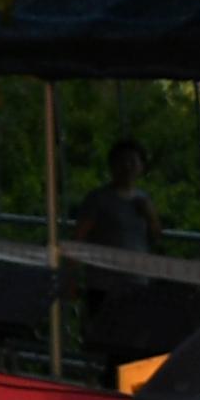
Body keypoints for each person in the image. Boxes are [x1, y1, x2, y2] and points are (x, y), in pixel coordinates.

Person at [71, 139, 166, 368]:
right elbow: (79, 238)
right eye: (122, 161)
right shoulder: (98, 199)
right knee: (110, 345)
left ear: (142, 167)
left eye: (133, 162)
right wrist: (71, 276)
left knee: (135, 344)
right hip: (104, 285)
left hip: (136, 284)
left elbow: (157, 239)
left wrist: (150, 215)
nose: (128, 167)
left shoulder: (143, 201)